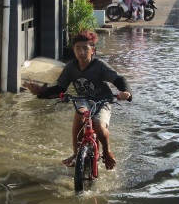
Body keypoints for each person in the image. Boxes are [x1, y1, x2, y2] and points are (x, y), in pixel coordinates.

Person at [23, 31, 132, 170]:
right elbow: (59, 88)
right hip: (82, 100)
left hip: (103, 100)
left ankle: (107, 151)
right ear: (73, 50)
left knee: (98, 126)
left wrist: (126, 92)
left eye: (85, 48)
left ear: (93, 50)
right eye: (77, 48)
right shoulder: (70, 67)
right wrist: (39, 91)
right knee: (80, 114)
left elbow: (119, 80)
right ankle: (76, 153)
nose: (81, 52)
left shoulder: (100, 66)